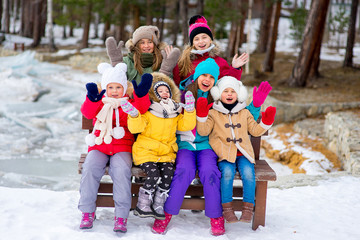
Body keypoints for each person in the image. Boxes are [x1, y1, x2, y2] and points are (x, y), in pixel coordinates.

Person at [151, 58, 272, 235]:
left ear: (215, 82)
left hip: (208, 145)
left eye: (211, 77)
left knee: (210, 172)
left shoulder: (217, 99)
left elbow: (241, 113)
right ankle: (166, 214)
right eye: (204, 75)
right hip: (185, 144)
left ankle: (216, 217)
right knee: (184, 171)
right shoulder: (182, 94)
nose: (207, 79)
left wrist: (256, 105)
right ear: (197, 76)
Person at [78, 62, 152, 233]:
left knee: (121, 172)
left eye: (118, 87)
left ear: (124, 88)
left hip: (122, 147)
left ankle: (121, 216)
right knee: (89, 168)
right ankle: (87, 212)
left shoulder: (129, 103)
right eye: (110, 87)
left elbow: (141, 109)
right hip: (99, 145)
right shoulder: (100, 102)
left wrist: (140, 96)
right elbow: (88, 113)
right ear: (105, 88)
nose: (114, 90)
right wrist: (91, 99)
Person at [196, 76, 276, 224]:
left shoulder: (244, 112)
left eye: (233, 91)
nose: (229, 94)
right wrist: (201, 116)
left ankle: (247, 209)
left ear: (238, 94)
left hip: (244, 153)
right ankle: (227, 209)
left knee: (248, 174)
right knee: (226, 174)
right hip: (224, 153)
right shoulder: (214, 112)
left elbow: (255, 130)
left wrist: (266, 122)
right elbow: (203, 131)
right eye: (225, 91)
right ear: (218, 94)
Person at [120, 72, 196, 221]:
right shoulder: (149, 112)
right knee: (153, 175)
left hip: (166, 153)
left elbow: (187, 125)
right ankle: (143, 205)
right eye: (160, 91)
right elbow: (136, 129)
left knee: (168, 174)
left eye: (167, 91)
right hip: (146, 152)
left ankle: (158, 204)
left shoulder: (174, 113)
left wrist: (189, 110)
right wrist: (135, 116)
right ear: (155, 95)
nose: (164, 93)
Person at [172, 15, 249, 86]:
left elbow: (228, 86)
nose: (201, 41)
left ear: (210, 40)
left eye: (204, 37)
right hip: (189, 100)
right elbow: (177, 84)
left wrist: (235, 69)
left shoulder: (220, 62)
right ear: (193, 43)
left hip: (211, 100)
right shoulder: (185, 61)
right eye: (196, 39)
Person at [105, 25, 180, 85]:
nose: (146, 46)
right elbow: (115, 84)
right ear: (136, 45)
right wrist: (116, 64)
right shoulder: (126, 62)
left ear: (154, 44)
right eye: (142, 43)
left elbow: (168, 87)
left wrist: (167, 68)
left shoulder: (163, 61)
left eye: (150, 42)